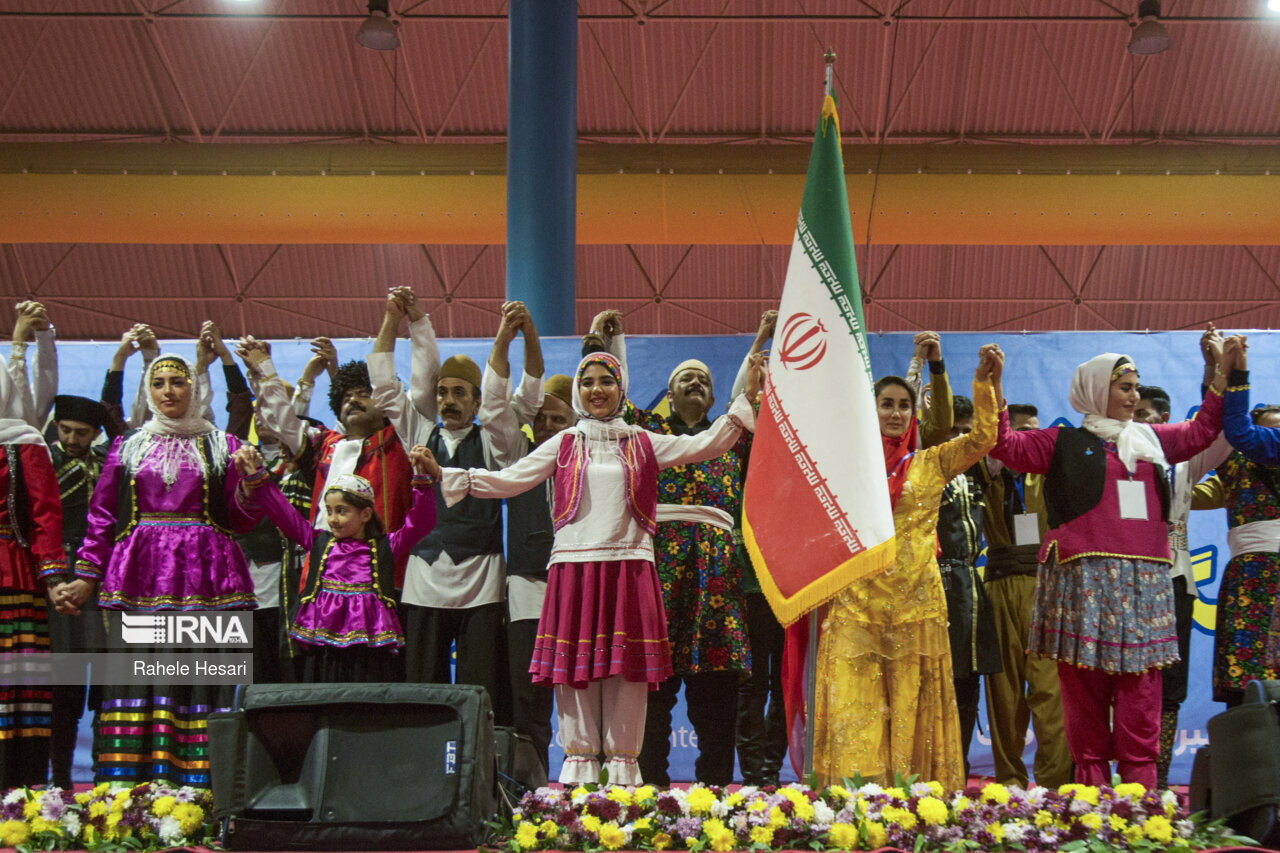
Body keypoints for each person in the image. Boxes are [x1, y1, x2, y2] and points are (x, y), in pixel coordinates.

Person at [439, 350, 760, 785]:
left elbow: (707, 444)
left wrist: (746, 401)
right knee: (576, 672)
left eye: (606, 381)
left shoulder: (642, 440)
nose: (596, 390)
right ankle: (580, 777)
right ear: (578, 389)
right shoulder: (566, 442)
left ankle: (624, 778)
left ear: (620, 389)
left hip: (630, 566)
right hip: (576, 568)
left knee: (627, 673)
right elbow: (512, 479)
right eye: (587, 381)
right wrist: (448, 474)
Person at [990, 345, 1228, 788]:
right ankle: (1092, 804)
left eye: (1136, 387)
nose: (1134, 397)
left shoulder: (1152, 441)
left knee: (1141, 696)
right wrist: (994, 384)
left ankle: (1140, 804)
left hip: (1145, 585)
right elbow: (1003, 445)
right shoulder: (1061, 443)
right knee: (1084, 696)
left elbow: (1204, 432)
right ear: (1097, 390)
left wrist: (1217, 373)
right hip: (1081, 585)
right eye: (1125, 387)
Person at [56, 349, 261, 786]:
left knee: (202, 676)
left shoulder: (223, 445)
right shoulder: (127, 445)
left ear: (194, 388)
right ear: (148, 390)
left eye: (178, 382)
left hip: (210, 580)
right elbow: (101, 517)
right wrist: (85, 577)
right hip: (140, 578)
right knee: (142, 675)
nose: (169, 391)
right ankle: (132, 789)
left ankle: (204, 789)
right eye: (160, 383)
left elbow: (241, 520)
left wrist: (249, 483)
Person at [813, 343, 1002, 791]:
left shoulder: (930, 463)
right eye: (886, 404)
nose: (896, 413)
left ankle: (913, 797)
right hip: (856, 603)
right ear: (870, 410)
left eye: (904, 405)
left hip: (916, 606)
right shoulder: (845, 466)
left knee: (910, 705)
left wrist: (984, 382)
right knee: (856, 709)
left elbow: (983, 439)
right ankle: (854, 798)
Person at [584, 308, 756, 788]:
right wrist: (608, 345)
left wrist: (762, 338)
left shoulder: (732, 439)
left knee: (717, 696)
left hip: (716, 576)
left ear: (714, 395)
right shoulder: (644, 435)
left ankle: (718, 792)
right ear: (670, 392)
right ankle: (651, 790)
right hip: (658, 571)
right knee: (652, 694)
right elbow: (612, 403)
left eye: (703, 379)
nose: (695, 383)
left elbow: (746, 397)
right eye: (685, 378)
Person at [368, 292, 537, 722]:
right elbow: (386, 388)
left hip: (481, 581)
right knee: (422, 686)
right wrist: (392, 320)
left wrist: (508, 335)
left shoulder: (497, 443)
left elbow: (510, 397)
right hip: (424, 579)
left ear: (477, 402)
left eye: (459, 392)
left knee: (480, 690)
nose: (447, 400)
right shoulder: (418, 433)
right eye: (442, 392)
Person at [233, 444, 441, 681]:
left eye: (342, 511)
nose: (333, 519)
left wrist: (423, 482)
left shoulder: (385, 546)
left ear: (365, 514)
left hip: (369, 648)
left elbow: (422, 522)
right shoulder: (319, 542)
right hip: (324, 645)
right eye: (329, 511)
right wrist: (258, 479)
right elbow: (283, 513)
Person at [1133, 329, 1232, 787]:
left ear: (1168, 420)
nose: (1139, 427)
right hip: (1123, 581)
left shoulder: (1183, 462)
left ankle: (1155, 783)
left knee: (1169, 688)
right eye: (1132, 416)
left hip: (1175, 582)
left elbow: (1221, 435)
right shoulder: (1109, 455)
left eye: (1148, 419)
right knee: (1118, 681)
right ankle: (1107, 784)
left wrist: (1217, 373)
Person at [485, 302, 569, 772]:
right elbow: (495, 403)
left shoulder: (586, 454)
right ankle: (531, 790)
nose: (550, 428)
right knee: (527, 694)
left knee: (585, 691)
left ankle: (592, 789)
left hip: (580, 586)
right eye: (543, 419)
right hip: (527, 589)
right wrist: (511, 336)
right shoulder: (517, 453)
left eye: (560, 420)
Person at [977, 402, 1072, 790]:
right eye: (1024, 431)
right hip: (999, 585)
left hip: (1045, 585)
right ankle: (1009, 785)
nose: (1032, 438)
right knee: (1004, 696)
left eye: (1037, 431)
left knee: (1052, 694)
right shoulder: (984, 471)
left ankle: (1053, 785)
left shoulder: (1053, 474)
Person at [1193, 335, 1280, 707]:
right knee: (1243, 679)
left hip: (1264, 568)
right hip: (1250, 570)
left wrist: (1236, 367)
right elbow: (1216, 426)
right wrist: (1216, 369)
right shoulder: (1234, 456)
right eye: (1269, 428)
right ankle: (1246, 758)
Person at [45, 393, 117, 789]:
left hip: (103, 579)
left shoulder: (110, 461)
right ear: (55, 425)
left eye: (82, 433)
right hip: (58, 577)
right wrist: (54, 580)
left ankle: (107, 779)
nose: (73, 439)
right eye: (66, 430)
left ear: (96, 433)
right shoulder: (41, 460)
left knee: (107, 683)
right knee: (65, 683)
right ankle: (60, 780)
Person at [0, 361, 66, 789]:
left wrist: (55, 578)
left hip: (12, 573)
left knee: (16, 685)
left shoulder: (24, 441)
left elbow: (45, 514)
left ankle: (16, 787)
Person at [935, 394, 1002, 776]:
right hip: (932, 580)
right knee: (936, 680)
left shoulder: (977, 472)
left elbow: (996, 440)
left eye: (966, 432)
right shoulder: (925, 470)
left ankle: (957, 765)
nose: (960, 439)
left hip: (969, 587)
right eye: (952, 431)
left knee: (967, 679)